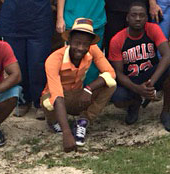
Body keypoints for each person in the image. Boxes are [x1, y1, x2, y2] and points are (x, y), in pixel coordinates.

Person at [41, 18, 116, 151]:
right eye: (77, 43)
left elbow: (110, 72)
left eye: (85, 44)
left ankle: (83, 122)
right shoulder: (54, 59)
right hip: (56, 99)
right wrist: (67, 134)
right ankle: (55, 122)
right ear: (69, 41)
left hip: (78, 95)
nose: (81, 48)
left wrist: (89, 89)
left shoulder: (92, 49)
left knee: (111, 84)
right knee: (48, 101)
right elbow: (57, 96)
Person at [109, 3, 170, 132]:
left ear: (146, 18)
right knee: (117, 98)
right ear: (127, 18)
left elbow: (168, 55)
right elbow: (117, 73)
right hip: (132, 80)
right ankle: (135, 102)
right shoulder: (117, 39)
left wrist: (151, 83)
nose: (137, 19)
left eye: (141, 15)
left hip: (151, 76)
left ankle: (165, 113)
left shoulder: (152, 29)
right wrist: (137, 89)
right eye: (134, 15)